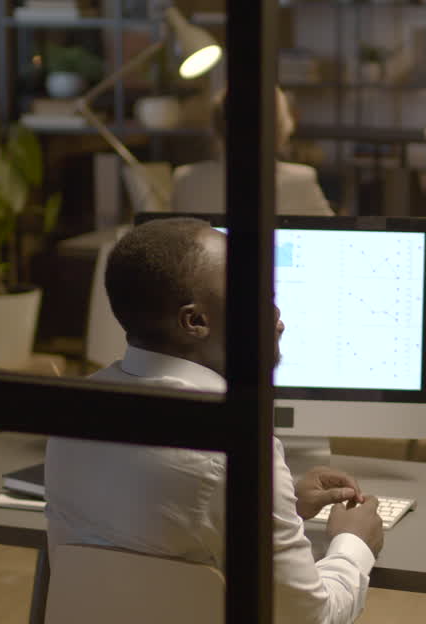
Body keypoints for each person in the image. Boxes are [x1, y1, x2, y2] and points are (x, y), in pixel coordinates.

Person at [45, 216, 383, 624]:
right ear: (195, 321)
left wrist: (274, 504)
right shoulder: (231, 444)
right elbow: (310, 619)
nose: (278, 315)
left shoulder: (75, 412)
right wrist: (352, 544)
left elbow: (158, 528)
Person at [172, 87, 334, 215]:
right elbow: (328, 235)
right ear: (281, 128)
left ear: (217, 127)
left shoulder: (184, 178)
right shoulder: (300, 179)